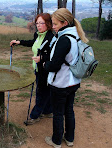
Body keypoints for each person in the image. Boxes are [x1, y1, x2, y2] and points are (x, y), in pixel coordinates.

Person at [34, 8, 89, 148]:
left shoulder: (64, 40)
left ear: (64, 23)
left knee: (58, 113)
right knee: (69, 110)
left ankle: (56, 141)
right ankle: (69, 139)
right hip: (73, 82)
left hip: (61, 83)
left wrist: (45, 63)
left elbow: (54, 66)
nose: (52, 27)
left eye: (55, 24)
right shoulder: (75, 34)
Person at [10, 13, 56, 125]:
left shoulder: (51, 38)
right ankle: (48, 111)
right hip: (37, 68)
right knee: (46, 90)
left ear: (48, 24)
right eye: (37, 23)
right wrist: (19, 42)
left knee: (41, 92)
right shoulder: (38, 35)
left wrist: (42, 58)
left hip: (45, 70)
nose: (39, 26)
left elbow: (54, 56)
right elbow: (33, 43)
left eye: (42, 23)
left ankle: (35, 115)